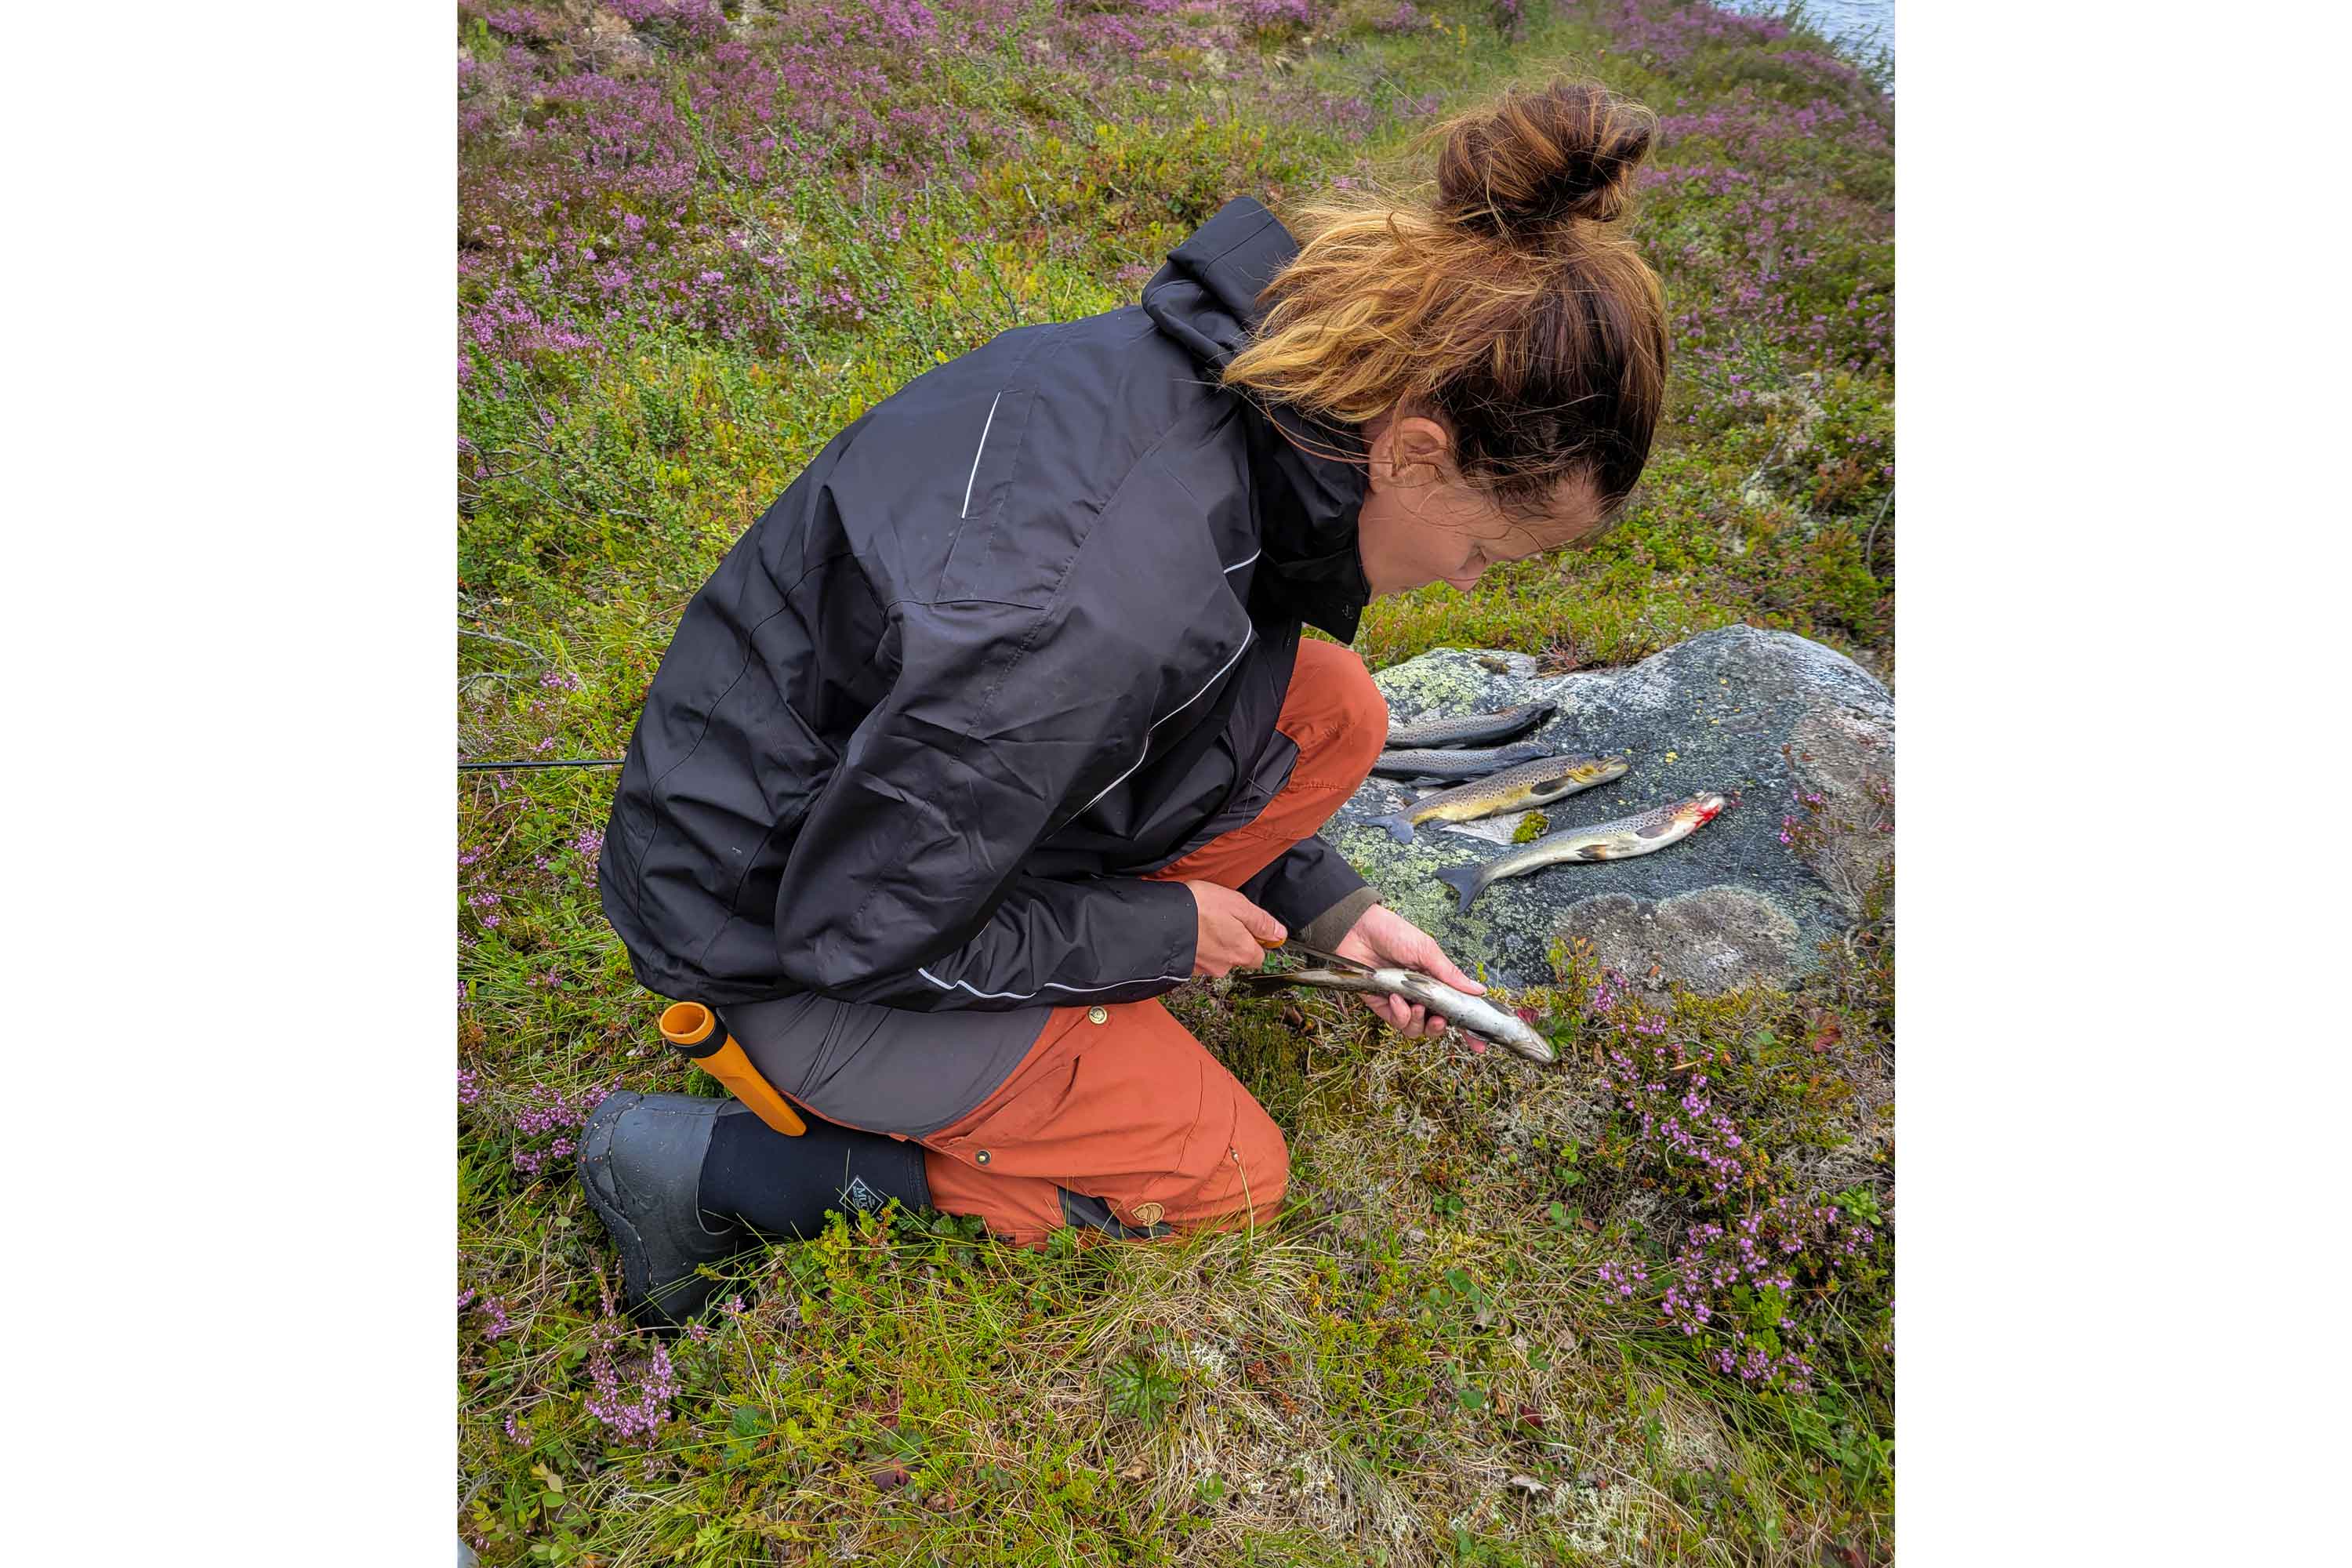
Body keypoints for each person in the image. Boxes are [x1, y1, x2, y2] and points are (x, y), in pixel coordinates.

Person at [579, 76, 1671, 1323]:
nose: (1468, 581)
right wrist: (1162, 935)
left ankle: (1061, 1023)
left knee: (1337, 708)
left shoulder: (1249, 400)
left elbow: (1146, 704)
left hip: (854, 814)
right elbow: (856, 931)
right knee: (1228, 1181)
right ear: (1414, 452)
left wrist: (1320, 901)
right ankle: (715, 1170)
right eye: (1489, 550)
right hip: (778, 948)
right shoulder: (1090, 612)